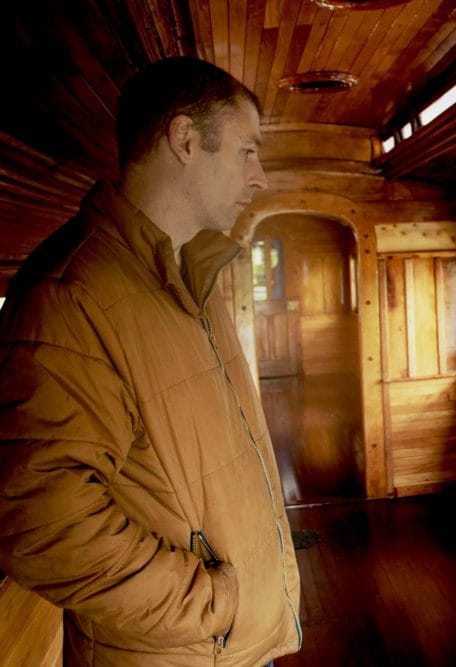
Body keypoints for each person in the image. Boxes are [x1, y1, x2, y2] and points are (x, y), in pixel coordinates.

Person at [0, 57, 300, 666]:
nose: (259, 176)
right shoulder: (73, 295)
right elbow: (40, 522)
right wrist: (213, 605)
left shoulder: (191, 273)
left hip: (235, 644)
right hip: (184, 649)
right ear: (185, 140)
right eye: (247, 151)